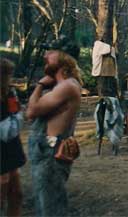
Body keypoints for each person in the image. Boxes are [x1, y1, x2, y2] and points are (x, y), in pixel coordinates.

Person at [26, 39, 82, 216]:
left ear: (64, 58)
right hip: (46, 151)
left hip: (50, 153)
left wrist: (41, 85)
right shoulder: (62, 85)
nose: (45, 55)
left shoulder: (67, 86)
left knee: (51, 210)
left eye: (51, 52)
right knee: (45, 205)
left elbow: (31, 111)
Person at [0, 59, 26, 217]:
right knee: (2, 184)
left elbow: (15, 113)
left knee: (16, 193)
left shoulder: (10, 92)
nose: (10, 78)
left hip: (10, 144)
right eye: (7, 74)